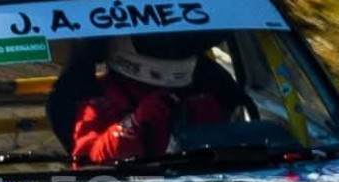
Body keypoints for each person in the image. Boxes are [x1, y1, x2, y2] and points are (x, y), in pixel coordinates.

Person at [72, 34, 228, 163]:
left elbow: (226, 154)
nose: (171, 45)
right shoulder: (98, 102)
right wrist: (133, 124)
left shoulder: (199, 95)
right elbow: (88, 164)